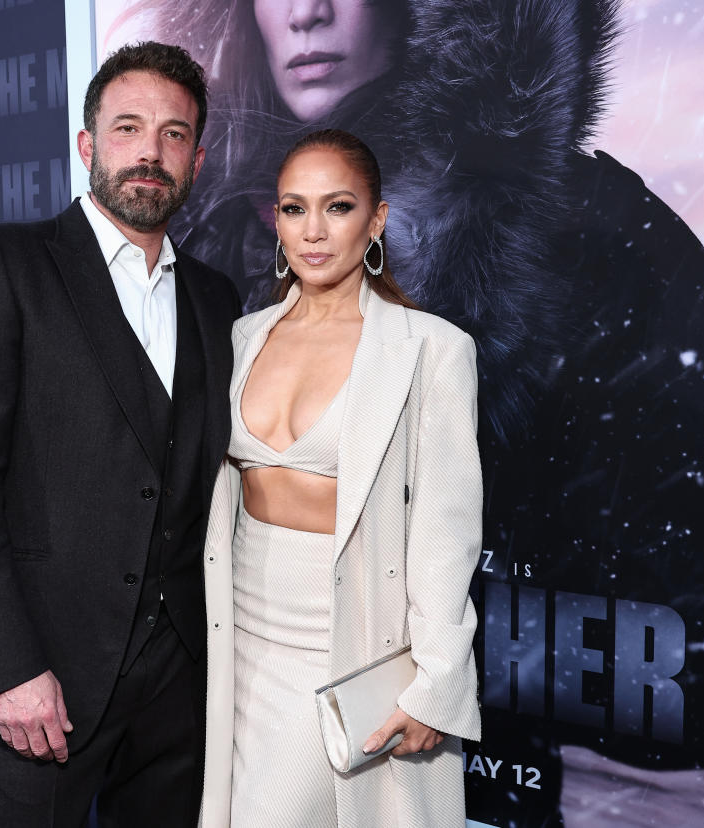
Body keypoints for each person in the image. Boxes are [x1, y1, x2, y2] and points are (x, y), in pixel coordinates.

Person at [109, 1, 704, 823]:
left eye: (337, 209)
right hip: (241, 668)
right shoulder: (207, 264)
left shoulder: (574, 229)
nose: (307, 13)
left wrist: (453, 676)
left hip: (483, 720)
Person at [0, 41, 242, 826]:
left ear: (196, 161)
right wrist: (9, 667)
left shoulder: (216, 298)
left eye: (173, 134)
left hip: (180, 683)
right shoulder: (2, 264)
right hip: (43, 679)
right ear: (88, 145)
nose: (150, 152)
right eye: (128, 127)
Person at [198, 129, 482, 827]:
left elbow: (447, 529)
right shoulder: (240, 337)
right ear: (276, 221)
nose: (314, 231)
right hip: (233, 641)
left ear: (376, 219)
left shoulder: (431, 350)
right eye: (295, 209)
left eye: (339, 207)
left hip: (347, 648)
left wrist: (437, 681)